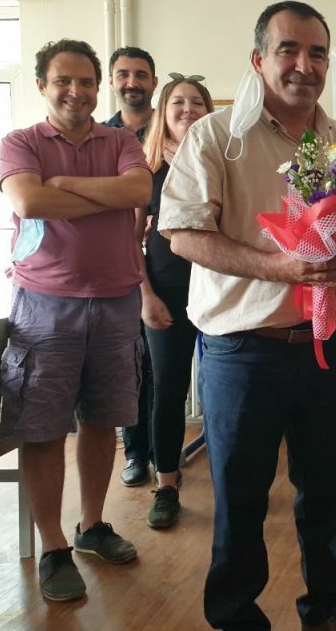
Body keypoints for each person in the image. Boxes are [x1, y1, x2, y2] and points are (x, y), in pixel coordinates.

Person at [158, 1, 336, 631]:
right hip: (242, 350)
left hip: (327, 344)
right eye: (288, 50)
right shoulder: (216, 136)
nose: (305, 65)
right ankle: (235, 617)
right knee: (242, 496)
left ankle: (327, 612)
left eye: (317, 53)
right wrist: (277, 267)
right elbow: (182, 233)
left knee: (331, 490)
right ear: (258, 59)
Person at [0, 39, 152, 602]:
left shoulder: (121, 141)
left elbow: (140, 189)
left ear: (98, 87)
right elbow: (28, 203)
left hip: (115, 302)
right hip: (44, 305)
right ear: (42, 85)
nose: (76, 91)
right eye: (64, 81)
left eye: (87, 82)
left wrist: (62, 186)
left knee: (102, 420)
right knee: (41, 428)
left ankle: (92, 526)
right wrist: (104, 198)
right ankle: (54, 547)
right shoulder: (21, 142)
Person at [136, 75, 213, 529]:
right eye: (178, 102)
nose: (188, 109)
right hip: (166, 294)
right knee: (168, 389)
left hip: (221, 295)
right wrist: (146, 296)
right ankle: (166, 483)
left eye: (197, 103)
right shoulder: (145, 172)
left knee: (225, 390)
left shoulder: (218, 164)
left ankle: (233, 475)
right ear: (162, 113)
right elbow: (130, 241)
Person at [106, 45, 159, 487]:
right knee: (132, 366)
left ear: (153, 82)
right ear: (112, 81)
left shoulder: (174, 129)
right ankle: (137, 452)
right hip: (119, 268)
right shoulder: (99, 138)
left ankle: (165, 454)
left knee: (165, 368)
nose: (132, 82)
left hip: (171, 263)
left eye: (140, 74)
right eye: (123, 74)